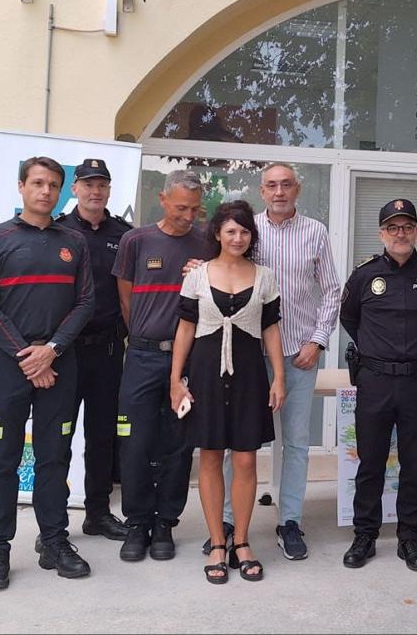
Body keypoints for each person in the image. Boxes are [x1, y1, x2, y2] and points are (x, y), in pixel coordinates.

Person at [203, 162, 340, 560]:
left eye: (286, 185)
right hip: (244, 356)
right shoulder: (248, 230)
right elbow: (218, 265)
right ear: (262, 191)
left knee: (294, 442)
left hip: (298, 353)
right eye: (271, 186)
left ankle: (290, 520)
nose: (279, 192)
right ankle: (227, 522)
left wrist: (316, 341)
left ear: (297, 189)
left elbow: (332, 290)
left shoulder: (315, 232)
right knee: (234, 442)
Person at [0, 156, 95, 590]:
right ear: (22, 186)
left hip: (61, 365)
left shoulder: (74, 242)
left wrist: (52, 350)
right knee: (3, 461)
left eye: (54, 185)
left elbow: (85, 303)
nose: (46, 191)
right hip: (10, 366)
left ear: (62, 191)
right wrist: (29, 355)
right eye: (38, 183)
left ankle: (54, 540)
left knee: (53, 457)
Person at [171, 200, 285, 584]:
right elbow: (185, 329)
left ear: (252, 236)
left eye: (245, 231)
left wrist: (279, 377)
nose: (238, 237)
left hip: (250, 374)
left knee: (247, 461)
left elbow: (271, 329)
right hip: (204, 372)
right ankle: (218, 543)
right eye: (231, 230)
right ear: (217, 233)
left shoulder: (265, 276)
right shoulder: (198, 276)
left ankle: (242, 541)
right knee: (209, 456)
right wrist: (176, 380)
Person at [339, 199, 417, 572]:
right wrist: (378, 352)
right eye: (393, 228)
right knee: (370, 461)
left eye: (407, 227)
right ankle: (365, 535)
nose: (400, 234)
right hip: (374, 379)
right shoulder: (364, 275)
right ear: (381, 234)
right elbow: (350, 319)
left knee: (414, 463)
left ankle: (409, 538)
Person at [111, 169, 211, 563]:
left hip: (188, 358)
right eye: (181, 207)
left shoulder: (206, 243)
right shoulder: (135, 241)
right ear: (163, 199)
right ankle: (137, 523)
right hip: (141, 356)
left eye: (195, 208)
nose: (188, 215)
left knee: (177, 442)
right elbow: (125, 301)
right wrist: (143, 336)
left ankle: (166, 522)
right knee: (133, 442)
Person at [54, 159, 131, 542]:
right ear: (75, 189)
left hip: (108, 350)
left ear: (109, 190)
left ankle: (98, 513)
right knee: (58, 439)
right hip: (65, 353)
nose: (95, 191)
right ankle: (54, 524)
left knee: (103, 437)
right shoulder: (58, 231)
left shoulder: (125, 234)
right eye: (87, 184)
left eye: (102, 184)